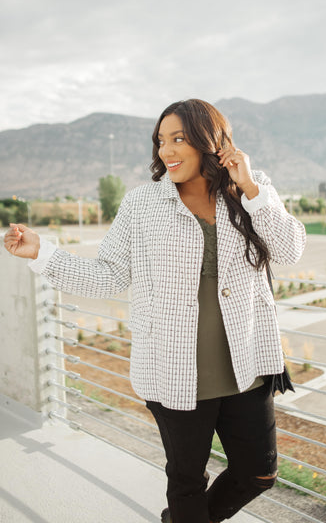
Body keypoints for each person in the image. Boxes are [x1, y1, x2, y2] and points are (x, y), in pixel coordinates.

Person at [4, 98, 306, 523]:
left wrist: (251, 188)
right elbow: (107, 276)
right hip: (174, 371)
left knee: (258, 473)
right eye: (161, 140)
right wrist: (43, 254)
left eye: (178, 139)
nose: (166, 150)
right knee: (187, 483)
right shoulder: (142, 204)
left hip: (248, 367)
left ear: (210, 142)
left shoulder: (251, 190)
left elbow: (290, 248)